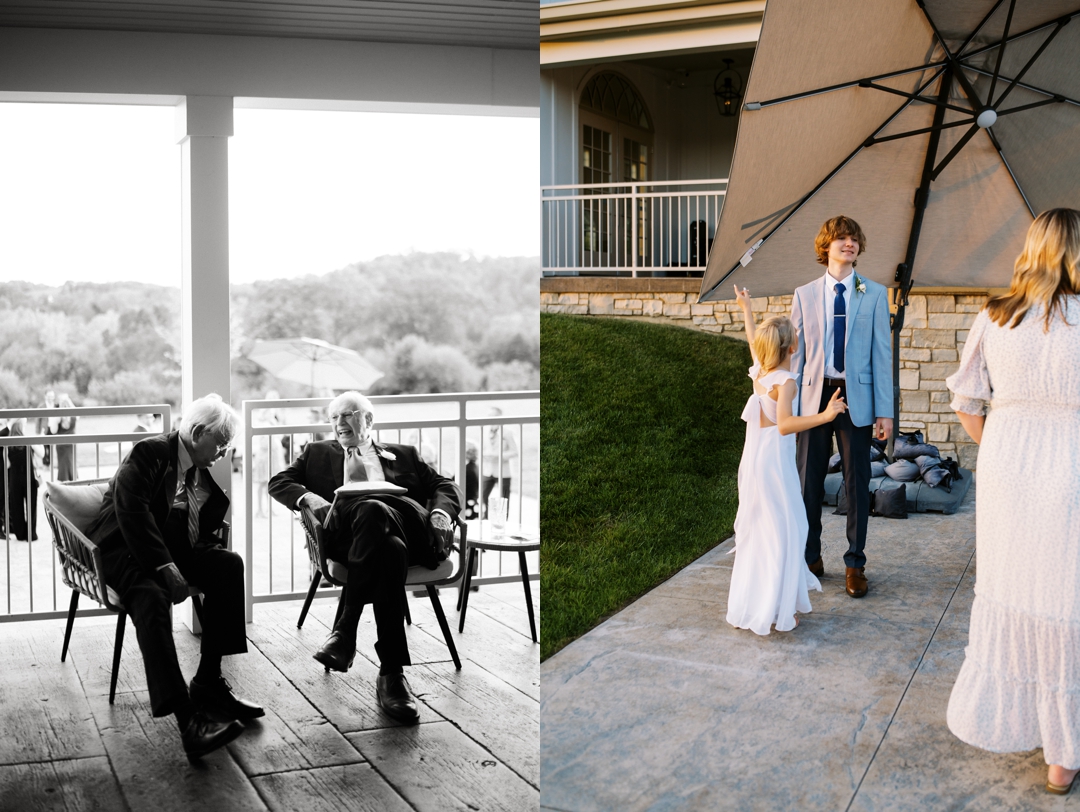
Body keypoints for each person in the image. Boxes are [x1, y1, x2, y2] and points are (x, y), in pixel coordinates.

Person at [944, 208, 1080, 795]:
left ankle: (1026, 723)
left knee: (1016, 592)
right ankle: (1063, 752)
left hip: (1006, 467)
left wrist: (1003, 446)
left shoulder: (994, 316)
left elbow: (967, 403)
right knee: (1064, 599)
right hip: (1070, 464)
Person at [84, 394, 263, 760]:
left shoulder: (196, 468)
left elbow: (191, 516)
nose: (225, 453)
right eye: (222, 444)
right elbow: (131, 511)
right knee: (151, 597)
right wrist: (166, 567)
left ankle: (209, 682)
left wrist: (198, 549)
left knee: (229, 565)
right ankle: (188, 720)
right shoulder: (149, 453)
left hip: (169, 549)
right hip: (122, 549)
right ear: (197, 432)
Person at [268, 391, 462, 724]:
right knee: (389, 550)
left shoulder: (403, 454)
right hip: (353, 539)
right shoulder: (316, 453)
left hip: (408, 526)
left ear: (368, 419)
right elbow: (279, 482)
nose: (339, 423)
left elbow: (445, 485)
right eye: (333, 418)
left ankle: (345, 632)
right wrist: (309, 497)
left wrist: (442, 513)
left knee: (376, 511)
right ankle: (392, 674)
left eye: (347, 415)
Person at [726, 286, 844, 634]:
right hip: (775, 466)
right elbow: (786, 425)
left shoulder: (761, 372)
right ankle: (780, 608)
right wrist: (825, 415)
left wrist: (747, 308)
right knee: (787, 530)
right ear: (792, 347)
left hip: (755, 462)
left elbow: (752, 340)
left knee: (765, 530)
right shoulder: (786, 381)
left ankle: (762, 602)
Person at [790, 215, 892, 599]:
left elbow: (882, 356)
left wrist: (886, 412)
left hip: (856, 399)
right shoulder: (804, 294)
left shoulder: (875, 293)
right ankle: (811, 556)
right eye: (841, 238)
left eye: (854, 238)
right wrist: (791, 406)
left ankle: (855, 563)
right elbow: (795, 356)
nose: (848, 243)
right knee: (809, 483)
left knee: (856, 483)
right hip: (815, 399)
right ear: (826, 246)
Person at [6, 418, 42, 542]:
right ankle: (31, 534)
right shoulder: (28, 442)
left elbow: (7, 465)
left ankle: (20, 534)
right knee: (31, 506)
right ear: (21, 428)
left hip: (15, 478)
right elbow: (41, 454)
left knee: (16, 507)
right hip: (29, 478)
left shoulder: (8, 445)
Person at [481, 407, 518, 518]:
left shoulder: (507, 432)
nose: (491, 419)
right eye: (489, 416)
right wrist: (484, 455)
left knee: (504, 498)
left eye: (494, 416)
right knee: (483, 495)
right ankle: (486, 517)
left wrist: (499, 456)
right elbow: (482, 447)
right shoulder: (484, 430)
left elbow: (515, 451)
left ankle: (502, 520)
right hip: (488, 470)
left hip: (503, 470)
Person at [52, 393, 77, 481]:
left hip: (64, 444)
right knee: (69, 464)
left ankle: (66, 483)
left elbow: (53, 431)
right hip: (68, 444)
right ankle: (71, 483)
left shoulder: (59, 414)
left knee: (66, 465)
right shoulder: (73, 414)